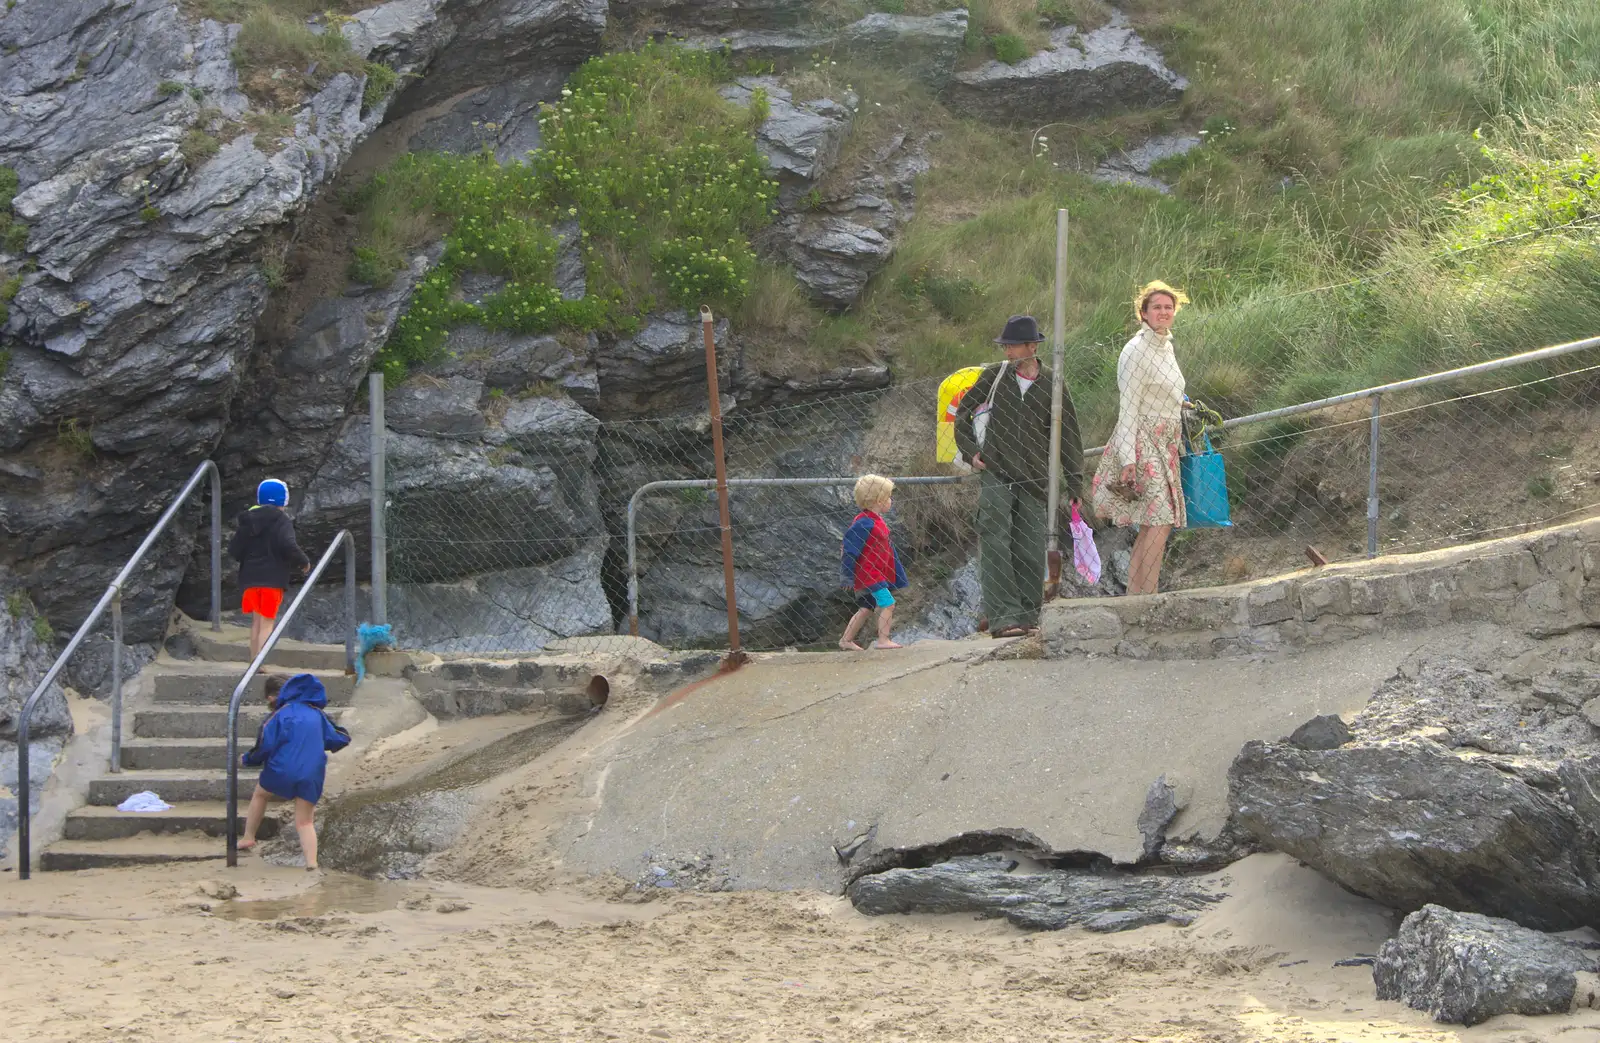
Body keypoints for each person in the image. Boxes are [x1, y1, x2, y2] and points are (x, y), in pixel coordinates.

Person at [953, 315, 1084, 638]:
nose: (1008, 352)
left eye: (1012, 346)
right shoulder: (993, 377)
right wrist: (972, 452)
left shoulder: (1054, 383)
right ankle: (1002, 618)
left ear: (1032, 347)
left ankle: (1028, 615)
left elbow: (1068, 434)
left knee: (1029, 547)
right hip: (996, 472)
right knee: (996, 543)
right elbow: (962, 414)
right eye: (1006, 346)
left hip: (1035, 478)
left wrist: (1075, 480)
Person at [1090, 281, 1191, 595]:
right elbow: (1129, 405)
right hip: (1143, 440)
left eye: (1168, 307)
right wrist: (1128, 459)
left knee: (1153, 522)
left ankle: (1140, 595)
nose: (1163, 312)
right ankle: (1144, 595)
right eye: (1156, 307)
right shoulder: (1135, 350)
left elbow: (1165, 389)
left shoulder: (1166, 345)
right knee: (1160, 519)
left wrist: (1183, 403)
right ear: (1143, 313)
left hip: (1168, 440)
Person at [238, 672, 349, 870]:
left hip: (281, 769)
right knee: (305, 821)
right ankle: (312, 863)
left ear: (274, 697)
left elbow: (265, 746)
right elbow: (340, 738)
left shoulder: (278, 715)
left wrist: (247, 759)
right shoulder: (318, 714)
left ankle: (248, 837)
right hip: (311, 773)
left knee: (261, 794)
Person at [229, 478, 310, 660]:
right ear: (283, 501)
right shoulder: (281, 521)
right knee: (267, 623)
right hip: (272, 580)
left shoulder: (247, 521)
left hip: (249, 579)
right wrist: (303, 561)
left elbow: (234, 550)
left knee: (256, 622)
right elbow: (288, 545)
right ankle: (260, 663)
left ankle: (253, 660)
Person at [839, 474, 909, 650]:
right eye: (888, 497)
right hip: (870, 575)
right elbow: (849, 549)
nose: (891, 501)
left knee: (866, 607)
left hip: (872, 573)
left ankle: (846, 640)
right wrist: (847, 575)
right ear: (879, 500)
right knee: (888, 603)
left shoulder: (873, 520)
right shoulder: (864, 523)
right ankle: (883, 640)